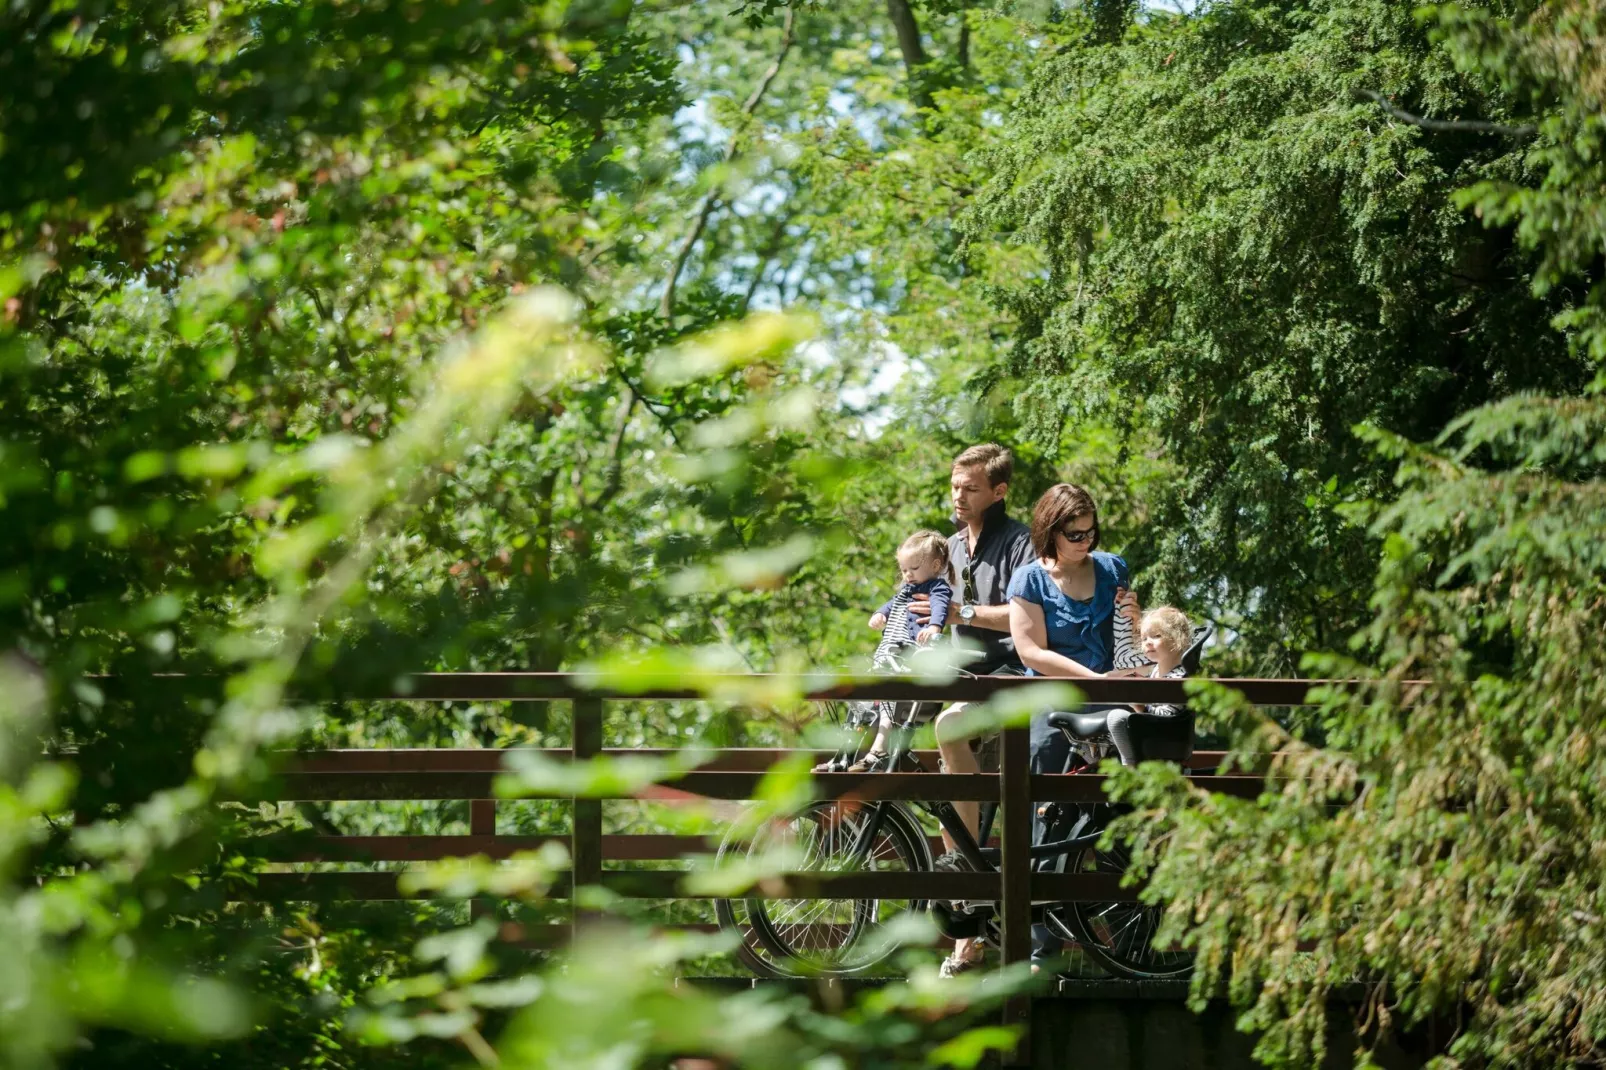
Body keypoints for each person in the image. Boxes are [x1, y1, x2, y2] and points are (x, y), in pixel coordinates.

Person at [1005, 482, 1141, 968]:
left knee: (1121, 817)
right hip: (1052, 702)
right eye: (1075, 534)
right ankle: (1042, 944)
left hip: (1112, 704)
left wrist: (1135, 627)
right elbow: (1031, 652)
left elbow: (1129, 634)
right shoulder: (1028, 580)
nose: (1086, 542)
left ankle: (1130, 940)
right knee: (1043, 818)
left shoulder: (1113, 567)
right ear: (1050, 531)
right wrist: (1093, 679)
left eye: (1091, 532)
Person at [912, 444, 1035, 978]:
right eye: (954, 486)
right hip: (965, 677)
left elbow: (1024, 617)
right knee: (889, 708)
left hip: (1010, 680)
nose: (957, 497)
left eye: (971, 489)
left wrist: (961, 612)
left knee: (949, 727)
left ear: (999, 492)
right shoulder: (953, 547)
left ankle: (966, 857)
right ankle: (968, 928)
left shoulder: (1020, 543)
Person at [815, 531, 953, 773]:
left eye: (914, 568)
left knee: (888, 699)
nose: (908, 574)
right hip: (887, 655)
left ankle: (879, 749)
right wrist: (880, 614)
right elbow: (890, 605)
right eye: (904, 570)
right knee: (860, 702)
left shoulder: (937, 587)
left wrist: (934, 626)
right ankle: (845, 756)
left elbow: (940, 607)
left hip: (906, 657)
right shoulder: (905, 590)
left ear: (935, 565)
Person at [1105, 605, 1192, 766]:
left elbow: (1169, 715)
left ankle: (1130, 767)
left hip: (1166, 738)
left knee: (1117, 717)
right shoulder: (1156, 670)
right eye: (1144, 639)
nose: (1148, 643)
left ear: (1177, 639)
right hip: (1151, 733)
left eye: (1156, 636)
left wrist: (1142, 708)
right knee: (1113, 718)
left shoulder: (1180, 677)